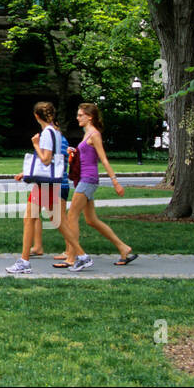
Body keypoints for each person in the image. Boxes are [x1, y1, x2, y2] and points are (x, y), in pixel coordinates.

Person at [56, 102, 138, 270]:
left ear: (89, 117)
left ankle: (73, 257)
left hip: (88, 180)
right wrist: (74, 152)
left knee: (71, 216)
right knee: (91, 220)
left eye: (80, 115)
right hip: (84, 179)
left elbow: (104, 159)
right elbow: (86, 155)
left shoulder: (94, 135)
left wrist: (115, 181)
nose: (77, 117)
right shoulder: (87, 135)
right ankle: (123, 248)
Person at [6, 101, 68, 274]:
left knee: (30, 218)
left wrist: (35, 145)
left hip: (45, 182)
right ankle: (81, 254)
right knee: (56, 220)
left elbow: (46, 159)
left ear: (36, 116)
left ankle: (24, 261)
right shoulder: (56, 132)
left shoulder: (47, 133)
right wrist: (26, 173)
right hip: (50, 180)